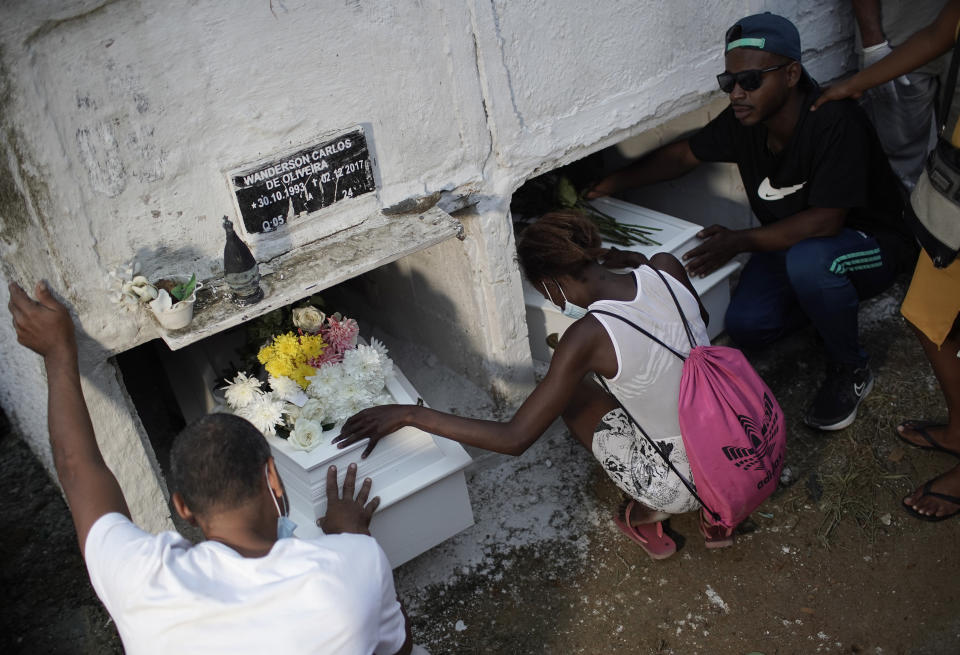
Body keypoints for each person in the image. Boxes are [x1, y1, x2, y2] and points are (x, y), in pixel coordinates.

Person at [7, 281, 413, 655]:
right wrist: (351, 538)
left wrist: (58, 353)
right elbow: (399, 648)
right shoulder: (352, 564)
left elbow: (76, 468)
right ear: (272, 476)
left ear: (182, 507)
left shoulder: (140, 582)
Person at [587, 12, 916, 432]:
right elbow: (683, 155)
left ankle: (850, 367)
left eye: (750, 81)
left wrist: (739, 241)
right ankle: (826, 307)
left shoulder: (834, 121)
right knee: (748, 326)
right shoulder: (747, 121)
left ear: (792, 73)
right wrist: (611, 182)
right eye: (728, 83)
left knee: (813, 264)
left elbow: (825, 222)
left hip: (868, 244)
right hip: (792, 245)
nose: (736, 94)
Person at [336, 210, 727, 560]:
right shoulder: (664, 267)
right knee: (631, 379)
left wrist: (409, 413)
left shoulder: (586, 337)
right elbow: (699, 326)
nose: (555, 304)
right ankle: (722, 508)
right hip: (735, 439)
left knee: (568, 391)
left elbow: (514, 439)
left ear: (552, 282)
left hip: (682, 483)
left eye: (545, 294)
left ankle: (648, 511)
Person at [813, 0, 960, 522]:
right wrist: (859, 82)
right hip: (956, 175)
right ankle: (959, 427)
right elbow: (942, 32)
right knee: (927, 312)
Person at [850, 0, 948, 189]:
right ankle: (904, 214)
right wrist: (873, 44)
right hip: (897, 33)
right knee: (900, 166)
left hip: (951, 26)